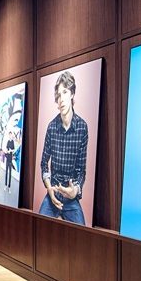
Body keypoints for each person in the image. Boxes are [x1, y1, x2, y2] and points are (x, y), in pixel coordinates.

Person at [38, 71, 89, 225]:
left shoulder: (82, 128)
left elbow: (81, 170)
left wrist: (75, 190)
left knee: (83, 234)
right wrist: (49, 189)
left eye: (65, 92)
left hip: (70, 196)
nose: (61, 99)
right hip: (53, 192)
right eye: (58, 95)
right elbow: (44, 163)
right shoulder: (51, 127)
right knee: (37, 228)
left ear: (72, 94)